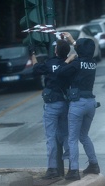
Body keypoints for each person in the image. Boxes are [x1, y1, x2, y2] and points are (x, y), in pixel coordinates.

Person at [56, 33, 100, 181]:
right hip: (91, 103)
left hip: (78, 104)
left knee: (72, 139)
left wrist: (68, 59)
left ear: (79, 52)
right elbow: (83, 50)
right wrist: (73, 41)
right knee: (84, 136)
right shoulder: (92, 62)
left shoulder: (75, 63)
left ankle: (73, 170)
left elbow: (61, 72)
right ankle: (93, 164)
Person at [32, 39, 71, 179]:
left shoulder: (50, 63)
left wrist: (33, 54)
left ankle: (52, 169)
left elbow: (36, 69)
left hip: (51, 104)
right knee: (66, 135)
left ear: (55, 51)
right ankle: (73, 166)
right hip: (65, 103)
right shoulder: (69, 63)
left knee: (51, 137)